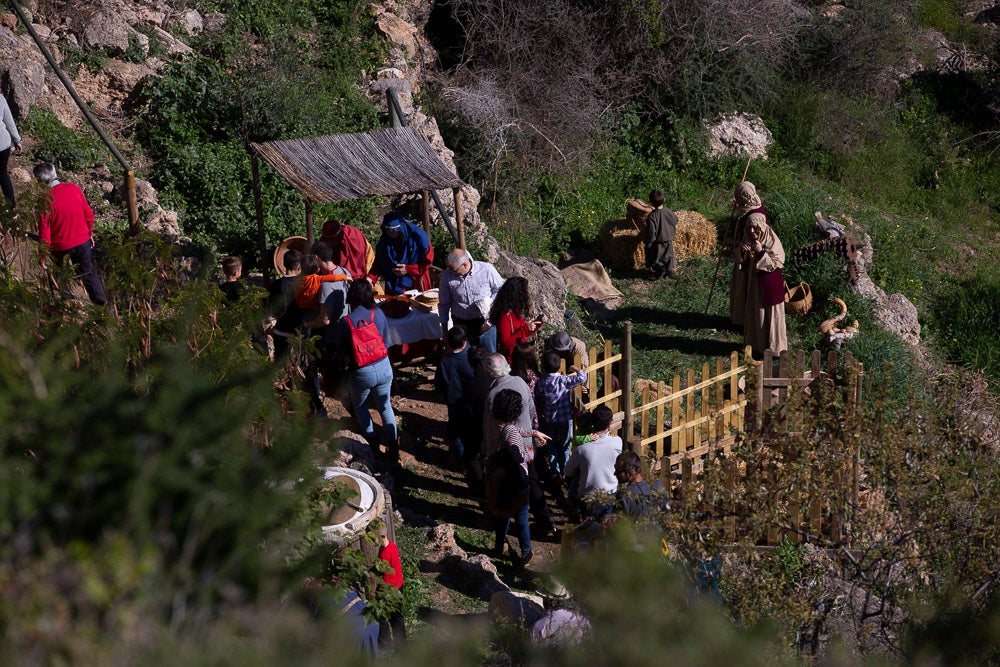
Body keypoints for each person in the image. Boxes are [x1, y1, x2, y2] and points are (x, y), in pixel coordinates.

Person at [482, 352, 556, 535]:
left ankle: (507, 521)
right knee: (533, 480)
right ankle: (546, 522)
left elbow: (491, 428)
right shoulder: (520, 382)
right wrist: (534, 432)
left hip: (507, 450)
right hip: (527, 442)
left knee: (510, 485)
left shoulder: (493, 394)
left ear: (489, 372)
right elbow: (532, 410)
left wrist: (489, 453)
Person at [487, 388, 551, 566]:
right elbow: (519, 455)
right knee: (522, 516)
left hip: (501, 480)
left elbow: (514, 431)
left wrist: (533, 433)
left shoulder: (496, 423)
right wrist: (532, 450)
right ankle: (526, 551)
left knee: (503, 515)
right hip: (517, 481)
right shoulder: (512, 433)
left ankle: (499, 545)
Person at [338, 279, 399, 459]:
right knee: (385, 406)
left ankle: (373, 446)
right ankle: (394, 449)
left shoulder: (345, 322)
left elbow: (341, 352)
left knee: (360, 406)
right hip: (383, 366)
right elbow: (386, 342)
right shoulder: (378, 314)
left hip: (361, 371)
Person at [33, 162, 108, 305]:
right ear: (55, 173)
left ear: (40, 181)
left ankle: (67, 303)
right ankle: (101, 303)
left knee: (61, 274)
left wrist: (42, 254)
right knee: (88, 273)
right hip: (82, 241)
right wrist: (89, 232)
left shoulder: (43, 201)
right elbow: (88, 214)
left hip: (60, 247)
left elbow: (44, 232)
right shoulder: (73, 188)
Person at [438, 248, 504, 350]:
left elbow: (500, 289)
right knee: (466, 358)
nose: (452, 273)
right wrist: (445, 330)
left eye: (454, 270)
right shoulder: (447, 276)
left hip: (485, 322)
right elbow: (444, 304)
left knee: (489, 356)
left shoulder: (486, 269)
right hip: (461, 324)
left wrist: (489, 303)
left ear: (465, 264)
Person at [535, 351, 587, 478]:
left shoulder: (542, 382)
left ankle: (555, 471)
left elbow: (539, 397)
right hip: (565, 419)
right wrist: (574, 368)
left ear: (544, 367)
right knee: (564, 445)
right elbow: (582, 377)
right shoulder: (564, 381)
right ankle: (565, 471)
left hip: (549, 419)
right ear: (559, 366)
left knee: (551, 444)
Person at [742, 212, 787, 354]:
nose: (751, 231)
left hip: (770, 284)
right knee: (758, 312)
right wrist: (743, 253)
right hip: (756, 284)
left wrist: (761, 252)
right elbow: (740, 260)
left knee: (772, 315)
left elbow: (776, 263)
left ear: (762, 227)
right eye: (749, 228)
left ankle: (774, 349)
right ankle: (758, 345)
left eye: (755, 228)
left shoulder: (772, 241)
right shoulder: (748, 239)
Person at [564, 405, 622, 508]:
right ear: (609, 425)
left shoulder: (581, 449)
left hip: (588, 498)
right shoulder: (617, 442)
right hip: (610, 495)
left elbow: (567, 471)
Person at [434, 324, 475, 466]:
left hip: (453, 403)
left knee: (456, 432)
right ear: (464, 342)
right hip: (471, 402)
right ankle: (473, 457)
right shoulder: (471, 358)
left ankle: (462, 459)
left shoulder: (445, 363)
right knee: (471, 429)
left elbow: (439, 385)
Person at [730, 181, 769, 327]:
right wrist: (739, 207)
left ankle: (744, 320)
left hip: (749, 260)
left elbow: (752, 236)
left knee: (744, 289)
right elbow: (745, 212)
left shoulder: (757, 214)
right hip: (744, 254)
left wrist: (742, 249)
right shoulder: (753, 204)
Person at [369, 212, 433, 295]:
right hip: (393, 281)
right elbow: (380, 261)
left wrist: (408, 269)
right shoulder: (385, 239)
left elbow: (426, 262)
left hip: (415, 281)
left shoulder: (419, 238)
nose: (389, 233)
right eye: (387, 231)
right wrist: (370, 278)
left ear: (400, 229)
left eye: (392, 231)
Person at [490, 276, 545, 364]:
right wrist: (526, 328)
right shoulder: (504, 317)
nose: (527, 294)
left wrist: (537, 323)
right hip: (511, 362)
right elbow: (506, 343)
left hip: (519, 358)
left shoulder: (515, 312)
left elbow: (521, 334)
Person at [266, 248, 304, 359]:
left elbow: (272, 309)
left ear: (283, 264)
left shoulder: (276, 284)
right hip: (299, 331)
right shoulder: (303, 283)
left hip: (281, 330)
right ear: (299, 267)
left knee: (281, 366)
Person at [377, 526, 406, 650]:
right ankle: (402, 645)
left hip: (390, 589)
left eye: (373, 537)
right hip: (398, 585)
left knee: (381, 616)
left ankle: (385, 643)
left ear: (382, 536)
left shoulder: (385, 554)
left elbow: (384, 575)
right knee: (397, 618)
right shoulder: (390, 546)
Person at [614, 451, 668, 519]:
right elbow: (667, 512)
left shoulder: (623, 496)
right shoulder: (658, 486)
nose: (615, 473)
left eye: (618, 470)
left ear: (629, 473)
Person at [644, 188, 679, 279]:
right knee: (669, 257)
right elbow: (676, 220)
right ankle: (670, 271)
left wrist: (648, 243)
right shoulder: (668, 211)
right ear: (664, 200)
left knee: (657, 258)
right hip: (669, 240)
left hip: (658, 242)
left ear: (650, 203)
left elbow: (652, 232)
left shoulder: (651, 216)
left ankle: (660, 271)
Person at [0, 93, 22, 207]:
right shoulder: (0, 98)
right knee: (3, 174)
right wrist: (17, 140)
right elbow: (9, 121)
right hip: (3, 144)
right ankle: (11, 207)